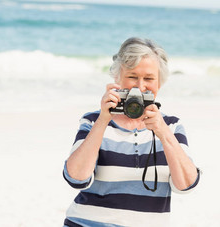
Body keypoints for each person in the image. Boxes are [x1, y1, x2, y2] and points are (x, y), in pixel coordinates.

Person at [63, 37, 201, 227]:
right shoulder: (94, 121)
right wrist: (104, 119)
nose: (140, 86)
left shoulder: (171, 126)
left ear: (160, 83)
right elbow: (76, 178)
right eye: (132, 76)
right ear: (117, 78)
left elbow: (186, 185)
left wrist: (163, 133)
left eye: (149, 78)